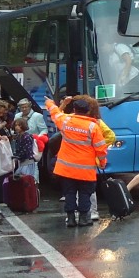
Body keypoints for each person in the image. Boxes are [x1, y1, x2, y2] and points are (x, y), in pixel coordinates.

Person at [44, 96, 108, 227]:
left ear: (74, 109)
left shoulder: (66, 121)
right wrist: (102, 163)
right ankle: (84, 219)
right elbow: (101, 148)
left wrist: (50, 102)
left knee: (69, 193)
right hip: (86, 170)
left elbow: (55, 113)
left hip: (66, 169)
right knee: (85, 194)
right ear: (88, 111)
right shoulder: (93, 127)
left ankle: (71, 219)